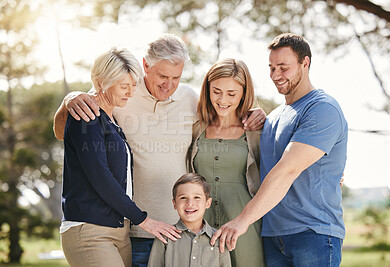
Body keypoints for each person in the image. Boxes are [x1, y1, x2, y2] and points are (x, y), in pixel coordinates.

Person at [53, 34, 266, 267]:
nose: (169, 84)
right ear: (146, 65)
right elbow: (65, 131)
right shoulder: (123, 94)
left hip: (179, 233)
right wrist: (70, 99)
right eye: (162, 76)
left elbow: (224, 115)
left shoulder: (190, 99)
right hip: (133, 229)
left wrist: (255, 113)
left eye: (176, 77)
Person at [211, 33, 348, 267]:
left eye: (283, 68)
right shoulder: (273, 117)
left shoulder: (322, 109)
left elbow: (287, 170)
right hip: (272, 236)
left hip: (313, 234)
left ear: (305, 64)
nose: (275, 75)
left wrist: (242, 220)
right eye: (272, 68)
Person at [60, 48, 179, 267]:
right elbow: (101, 178)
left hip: (118, 230)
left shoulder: (112, 121)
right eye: (124, 86)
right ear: (100, 82)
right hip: (90, 230)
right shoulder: (87, 117)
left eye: (134, 85)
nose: (130, 93)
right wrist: (143, 220)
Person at [187, 58, 265, 267]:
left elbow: (285, 164)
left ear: (243, 94)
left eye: (232, 94)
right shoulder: (196, 128)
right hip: (202, 227)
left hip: (244, 229)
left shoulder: (257, 130)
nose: (223, 99)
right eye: (216, 91)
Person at [148, 173, 231, 267]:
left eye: (197, 197)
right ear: (174, 203)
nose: (190, 203)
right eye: (183, 198)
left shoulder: (219, 238)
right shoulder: (164, 237)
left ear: (208, 203)